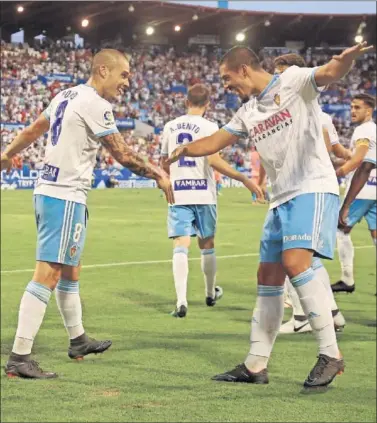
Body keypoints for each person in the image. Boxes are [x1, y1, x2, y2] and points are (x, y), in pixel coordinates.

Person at [167, 42, 373, 389]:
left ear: (244, 69)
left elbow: (329, 73)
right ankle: (255, 364)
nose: (226, 85)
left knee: (296, 263)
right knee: (268, 276)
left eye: (227, 77)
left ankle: (331, 353)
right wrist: (185, 148)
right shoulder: (248, 111)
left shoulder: (292, 80)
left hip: (311, 187)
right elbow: (216, 140)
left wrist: (344, 61)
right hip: (281, 198)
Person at [1, 49, 174, 379]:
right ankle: (20, 357)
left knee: (70, 270)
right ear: (104, 70)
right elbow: (121, 153)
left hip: (53, 193)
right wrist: (159, 174)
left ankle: (78, 339)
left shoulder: (65, 95)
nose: (128, 82)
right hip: (64, 196)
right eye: (124, 75)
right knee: (49, 274)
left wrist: (7, 154)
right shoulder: (95, 103)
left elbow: (32, 130)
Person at [160, 83, 262, 318]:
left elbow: (164, 162)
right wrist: (243, 179)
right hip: (204, 192)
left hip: (178, 193)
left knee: (180, 245)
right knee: (207, 244)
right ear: (208, 104)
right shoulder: (209, 126)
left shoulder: (170, 126)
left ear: (186, 102)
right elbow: (214, 161)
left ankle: (181, 301)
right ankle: (209, 293)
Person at [269, 53, 347, 334]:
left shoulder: (307, 104)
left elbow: (324, 74)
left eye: (280, 73)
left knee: (294, 257)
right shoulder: (299, 112)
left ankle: (303, 316)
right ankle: (332, 312)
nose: (277, 80)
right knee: (308, 258)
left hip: (307, 188)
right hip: (304, 187)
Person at [332, 93, 376, 293]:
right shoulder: (374, 129)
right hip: (374, 190)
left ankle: (347, 279)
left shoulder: (363, 130)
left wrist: (338, 173)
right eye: (351, 107)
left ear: (369, 110)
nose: (352, 111)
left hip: (362, 191)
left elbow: (361, 163)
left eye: (357, 107)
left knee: (340, 229)